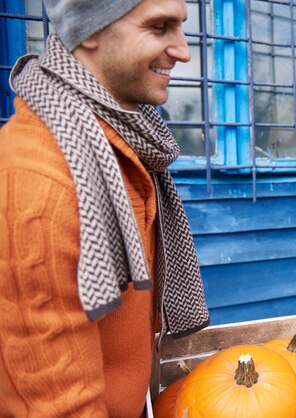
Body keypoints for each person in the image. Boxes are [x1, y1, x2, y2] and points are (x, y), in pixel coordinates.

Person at [0, 0, 210, 416]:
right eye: (160, 27)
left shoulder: (125, 141)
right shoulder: (37, 181)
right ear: (89, 30)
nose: (184, 51)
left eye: (181, 27)